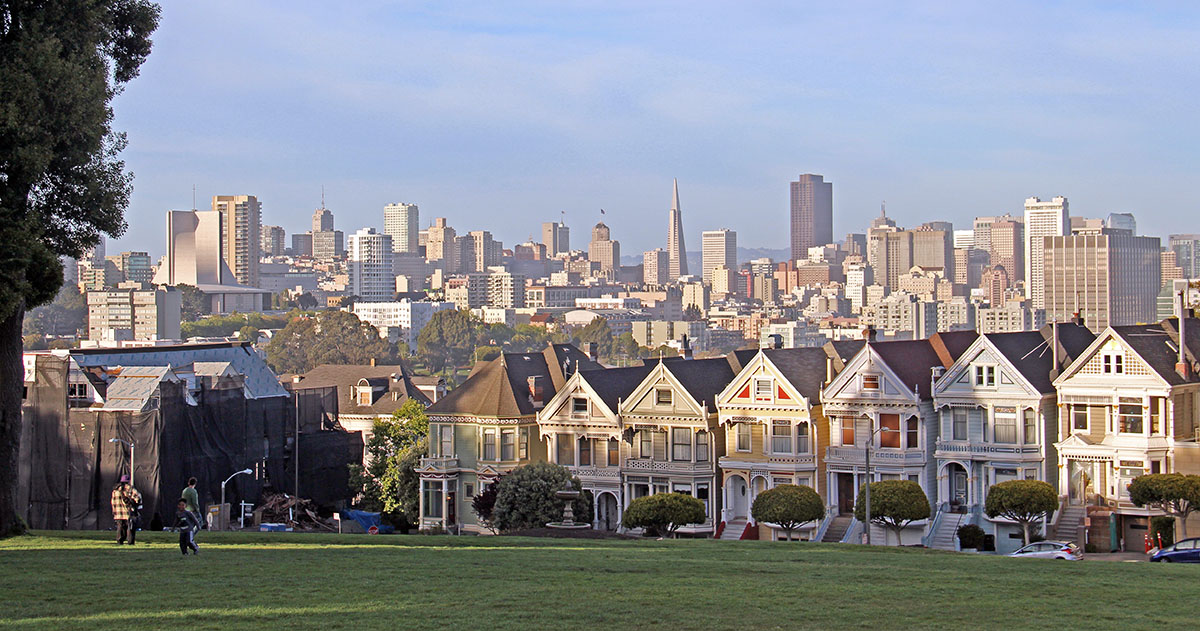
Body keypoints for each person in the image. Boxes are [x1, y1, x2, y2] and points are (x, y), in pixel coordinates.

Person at [111, 475, 142, 545]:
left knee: (120, 527)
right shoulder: (130, 489)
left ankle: (119, 541)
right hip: (128, 512)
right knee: (130, 527)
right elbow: (137, 498)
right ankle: (130, 542)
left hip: (118, 513)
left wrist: (114, 511)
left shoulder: (115, 491)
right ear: (128, 481)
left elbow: (113, 502)